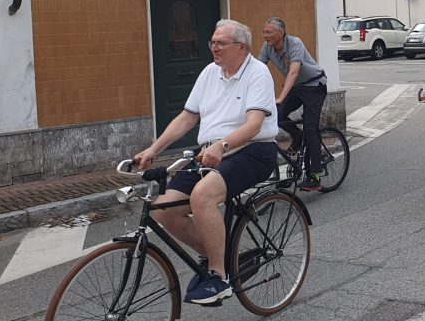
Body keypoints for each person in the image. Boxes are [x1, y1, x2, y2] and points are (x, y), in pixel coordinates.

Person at [133, 19, 278, 306]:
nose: (214, 48)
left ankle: (219, 276)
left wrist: (223, 145)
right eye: (212, 42)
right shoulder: (210, 72)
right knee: (164, 209)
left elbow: (254, 125)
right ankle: (217, 256)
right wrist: (153, 149)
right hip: (210, 152)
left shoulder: (258, 72)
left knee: (202, 196)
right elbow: (187, 117)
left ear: (241, 47)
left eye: (220, 43)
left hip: (253, 150)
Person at [257, 17, 327, 192]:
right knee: (277, 115)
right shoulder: (267, 47)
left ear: (281, 33)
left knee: (311, 129)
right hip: (296, 87)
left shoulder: (295, 43)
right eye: (264, 32)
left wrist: (281, 97)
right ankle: (297, 137)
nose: (265, 35)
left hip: (314, 86)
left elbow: (294, 72)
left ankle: (315, 176)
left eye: (268, 32)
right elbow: (256, 70)